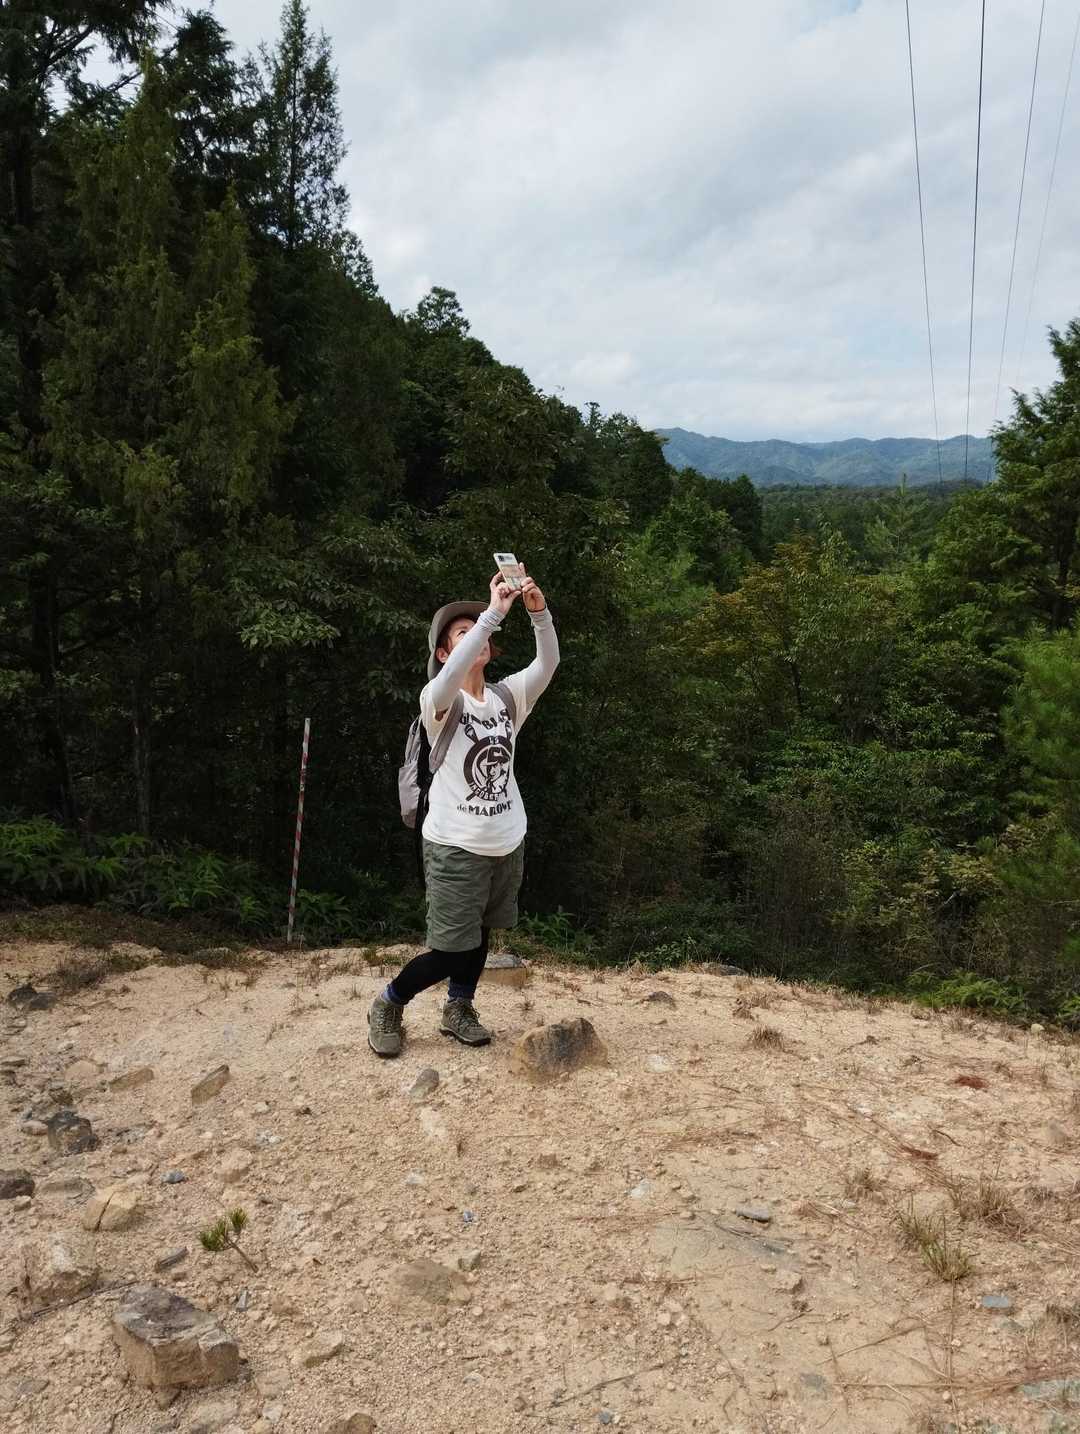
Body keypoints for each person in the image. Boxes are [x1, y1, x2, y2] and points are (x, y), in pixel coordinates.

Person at [368, 566, 559, 1056]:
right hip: (455, 845)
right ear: (443, 654)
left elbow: (549, 663)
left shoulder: (507, 697)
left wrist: (538, 613)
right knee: (451, 947)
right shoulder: (439, 701)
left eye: (480, 632)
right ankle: (390, 1001)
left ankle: (459, 1005)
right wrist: (492, 613)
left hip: (506, 842)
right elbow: (450, 678)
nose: (477, 636)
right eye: (463, 633)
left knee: (481, 937)